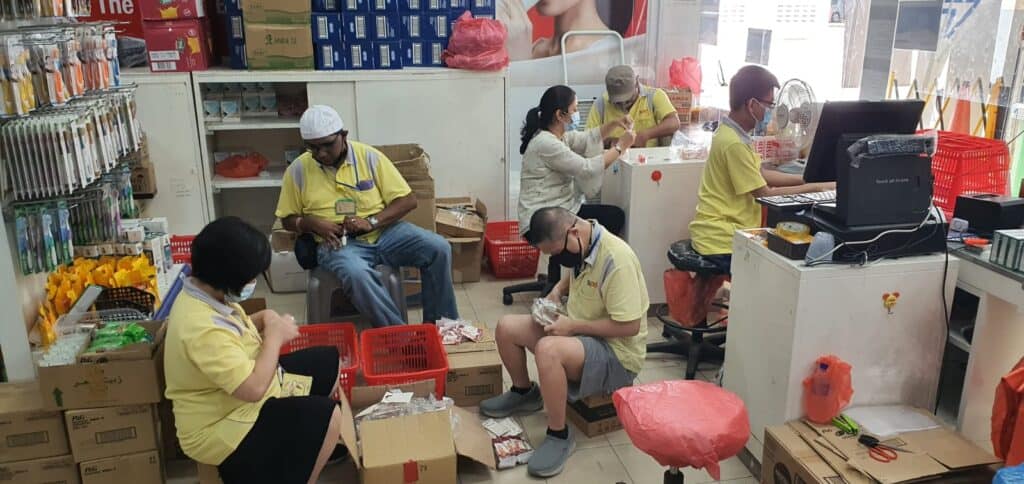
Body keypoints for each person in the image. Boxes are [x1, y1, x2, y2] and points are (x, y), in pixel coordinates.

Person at [164, 217, 345, 484]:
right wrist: (274, 335)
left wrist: (265, 318)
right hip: (223, 426)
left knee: (328, 362)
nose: (254, 283)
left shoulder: (206, 293)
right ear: (229, 276)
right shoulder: (200, 328)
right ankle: (268, 469)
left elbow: (235, 331)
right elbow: (252, 389)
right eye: (250, 277)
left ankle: (303, 448)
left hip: (241, 393)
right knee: (329, 417)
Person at [480, 207, 648, 477]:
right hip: (582, 335)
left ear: (572, 232)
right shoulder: (582, 243)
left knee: (548, 351)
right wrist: (556, 294)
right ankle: (525, 393)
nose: (558, 258)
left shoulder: (617, 259)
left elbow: (630, 326)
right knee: (506, 327)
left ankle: (559, 434)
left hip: (617, 355)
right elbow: (569, 277)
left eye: (556, 252)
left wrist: (573, 326)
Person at [276, 105, 458, 325]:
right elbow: (286, 219)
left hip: (385, 233)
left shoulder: (369, 157)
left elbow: (408, 200)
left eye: (327, 145)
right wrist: (311, 223)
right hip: (336, 244)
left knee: (439, 248)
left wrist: (372, 222)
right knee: (357, 273)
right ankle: (402, 339)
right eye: (313, 148)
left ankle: (442, 326)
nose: (321, 153)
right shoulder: (298, 170)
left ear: (343, 136)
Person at [688, 65, 835, 272]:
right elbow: (764, 193)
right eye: (770, 104)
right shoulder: (734, 144)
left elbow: (761, 175)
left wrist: (808, 179)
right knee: (780, 267)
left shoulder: (732, 134)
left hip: (718, 231)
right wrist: (817, 189)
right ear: (752, 104)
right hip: (721, 237)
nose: (773, 111)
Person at [518, 84, 631, 288]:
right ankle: (578, 283)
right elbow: (587, 168)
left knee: (608, 217)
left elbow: (588, 138)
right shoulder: (546, 143)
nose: (578, 114)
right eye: (575, 109)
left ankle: (563, 281)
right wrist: (620, 147)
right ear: (560, 115)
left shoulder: (557, 136)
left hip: (558, 208)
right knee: (613, 218)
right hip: (541, 219)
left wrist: (614, 123)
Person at [585, 65, 681, 148]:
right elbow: (587, 139)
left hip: (648, 159)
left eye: (627, 98)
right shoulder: (601, 104)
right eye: (618, 101)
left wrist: (646, 135)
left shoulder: (655, 96)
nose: (623, 104)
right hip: (613, 159)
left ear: (637, 83)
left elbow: (674, 122)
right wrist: (610, 141)